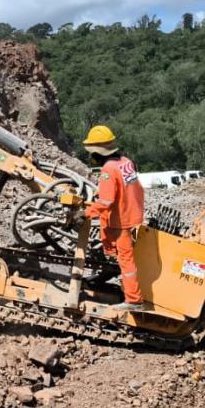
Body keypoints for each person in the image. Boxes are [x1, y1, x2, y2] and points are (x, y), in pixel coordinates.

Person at [82, 125, 147, 311]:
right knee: (123, 257)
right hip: (133, 214)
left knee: (126, 261)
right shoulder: (125, 162)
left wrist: (84, 213)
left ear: (96, 152)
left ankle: (134, 300)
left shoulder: (108, 170)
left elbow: (106, 201)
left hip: (122, 221)